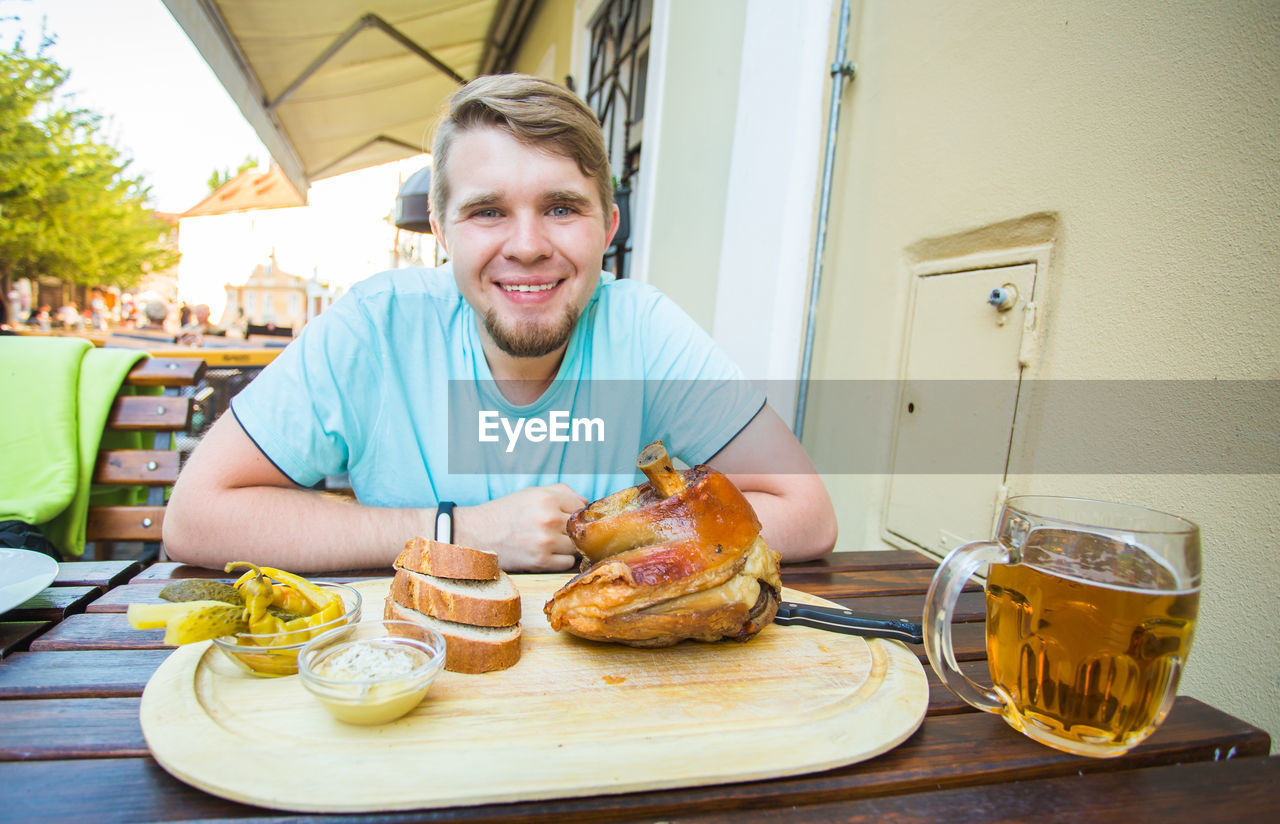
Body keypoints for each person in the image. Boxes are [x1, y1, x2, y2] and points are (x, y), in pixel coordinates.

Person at [163, 73, 837, 574]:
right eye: (488, 211)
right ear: (441, 230)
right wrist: (461, 533)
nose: (526, 245)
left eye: (561, 208)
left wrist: (598, 534)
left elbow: (806, 514)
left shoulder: (643, 329)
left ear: (608, 226)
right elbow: (196, 517)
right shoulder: (376, 326)